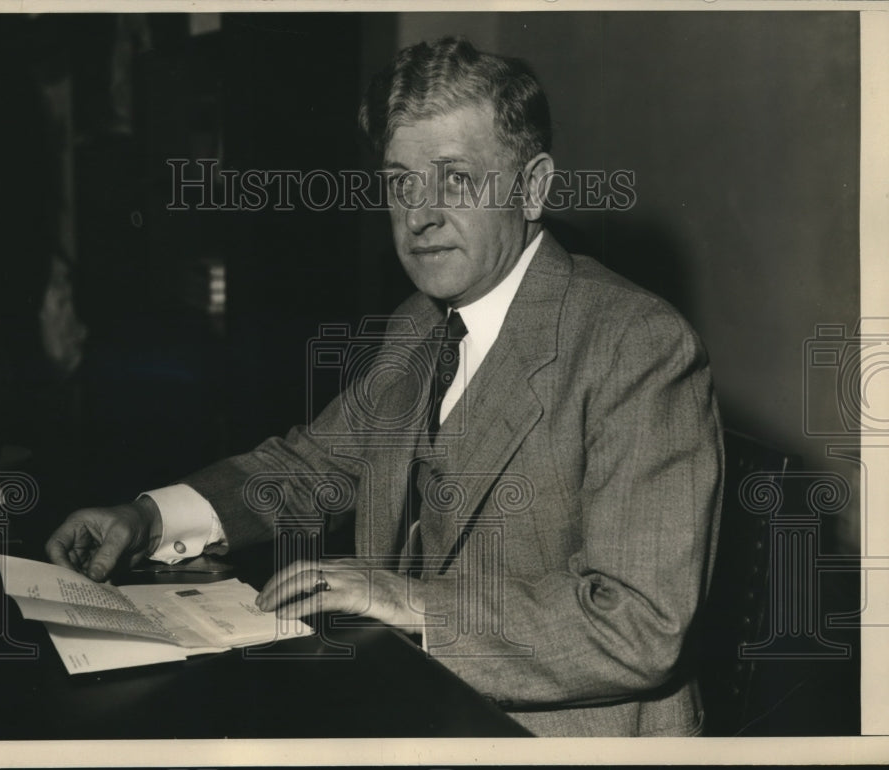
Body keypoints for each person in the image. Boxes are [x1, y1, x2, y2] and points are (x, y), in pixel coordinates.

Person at [46, 37, 723, 737]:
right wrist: (150, 519)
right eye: (401, 181)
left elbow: (640, 625)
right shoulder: (419, 325)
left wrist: (409, 601)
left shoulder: (637, 344)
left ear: (534, 187)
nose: (419, 214)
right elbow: (309, 467)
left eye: (455, 178)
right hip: (411, 705)